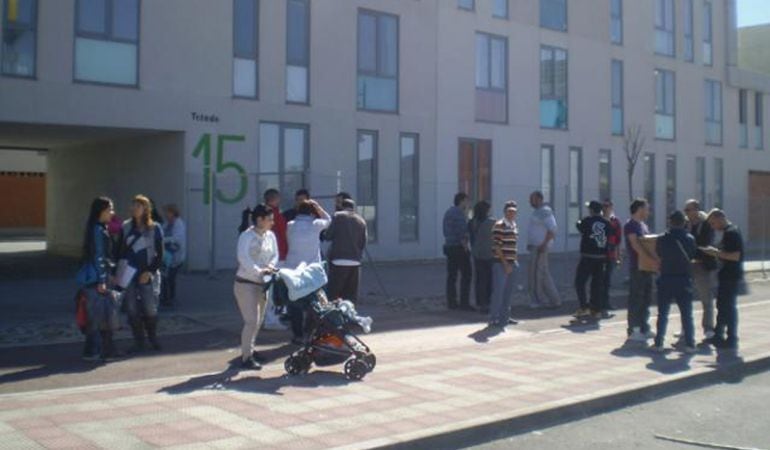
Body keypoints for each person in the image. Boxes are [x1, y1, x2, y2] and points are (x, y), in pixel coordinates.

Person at [118, 195, 164, 353]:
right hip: (128, 272)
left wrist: (150, 271)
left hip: (146, 272)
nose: (134, 209)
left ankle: (153, 337)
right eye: (133, 205)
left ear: (146, 209)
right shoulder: (126, 227)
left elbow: (160, 253)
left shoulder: (154, 228)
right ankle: (139, 341)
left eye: (138, 206)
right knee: (131, 308)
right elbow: (119, 250)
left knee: (150, 307)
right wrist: (116, 271)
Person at [234, 204, 278, 370]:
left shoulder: (270, 235)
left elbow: (275, 255)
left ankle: (250, 350)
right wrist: (259, 272)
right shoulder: (246, 236)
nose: (272, 222)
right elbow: (243, 258)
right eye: (269, 219)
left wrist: (270, 268)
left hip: (263, 284)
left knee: (258, 321)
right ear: (259, 219)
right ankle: (246, 357)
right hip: (246, 283)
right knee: (251, 320)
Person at [285, 199, 332, 344]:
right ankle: (310, 332)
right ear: (313, 212)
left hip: (293, 270)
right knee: (316, 302)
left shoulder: (290, 225)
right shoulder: (316, 224)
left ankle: (297, 334)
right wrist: (319, 208)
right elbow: (329, 219)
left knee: (294, 302)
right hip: (312, 271)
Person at [78, 197, 119, 361]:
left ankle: (100, 350)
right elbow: (99, 256)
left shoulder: (98, 228)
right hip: (97, 279)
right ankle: (93, 351)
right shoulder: (98, 230)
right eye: (110, 209)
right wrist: (102, 279)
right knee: (97, 316)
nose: (112, 213)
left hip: (95, 277)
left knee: (98, 315)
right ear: (101, 211)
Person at [652, 210, 697, 353]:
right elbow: (692, 255)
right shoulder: (689, 238)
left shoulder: (662, 239)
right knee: (686, 313)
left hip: (666, 277)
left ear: (670, 222)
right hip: (683, 278)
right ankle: (690, 343)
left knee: (663, 313)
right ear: (684, 222)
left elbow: (659, 254)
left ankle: (659, 342)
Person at [703, 209, 744, 350]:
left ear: (720, 218)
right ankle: (718, 335)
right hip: (727, 274)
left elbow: (735, 256)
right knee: (722, 306)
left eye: (713, 223)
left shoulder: (731, 232)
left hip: (731, 275)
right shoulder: (730, 231)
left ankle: (731, 338)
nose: (713, 227)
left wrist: (715, 252)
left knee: (728, 307)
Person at [625, 198, 659, 343]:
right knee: (636, 298)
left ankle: (644, 326)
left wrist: (654, 260)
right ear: (639, 209)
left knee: (646, 297)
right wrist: (650, 259)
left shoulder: (643, 225)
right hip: (637, 267)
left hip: (647, 267)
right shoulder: (630, 225)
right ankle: (634, 329)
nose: (648, 211)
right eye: (646, 208)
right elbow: (635, 245)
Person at [684, 199, 718, 341]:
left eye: (688, 210)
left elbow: (704, 243)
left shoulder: (706, 225)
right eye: (685, 210)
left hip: (702, 264)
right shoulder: (686, 224)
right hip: (688, 265)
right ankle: (685, 328)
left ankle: (708, 328)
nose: (686, 213)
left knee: (706, 297)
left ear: (696, 210)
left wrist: (692, 248)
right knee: (684, 297)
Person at [326, 198, 367, 303]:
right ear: (353, 208)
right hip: (355, 261)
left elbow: (328, 235)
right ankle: (349, 316)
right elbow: (363, 243)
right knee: (350, 295)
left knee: (333, 293)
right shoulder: (361, 220)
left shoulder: (337, 216)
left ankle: (334, 316)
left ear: (342, 206)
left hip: (338, 260)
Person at [574, 201, 610, 319]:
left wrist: (579, 221)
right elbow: (610, 236)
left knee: (580, 282)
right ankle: (596, 309)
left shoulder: (587, 221)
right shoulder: (606, 223)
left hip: (588, 256)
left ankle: (584, 307)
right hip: (601, 257)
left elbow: (579, 226)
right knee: (597, 284)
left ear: (592, 210)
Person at [526, 191, 561, 309]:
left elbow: (553, 229)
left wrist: (544, 244)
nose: (530, 201)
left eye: (533, 199)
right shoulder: (537, 212)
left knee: (537, 274)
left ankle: (538, 300)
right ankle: (554, 299)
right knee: (543, 273)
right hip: (536, 246)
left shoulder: (545, 211)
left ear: (540, 199)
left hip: (541, 247)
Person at [489, 201, 519, 328]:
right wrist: (505, 263)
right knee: (499, 291)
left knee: (508, 292)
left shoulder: (513, 225)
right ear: (505, 211)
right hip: (501, 263)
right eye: (509, 211)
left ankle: (505, 316)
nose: (512, 213)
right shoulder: (499, 225)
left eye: (514, 211)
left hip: (512, 262)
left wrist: (513, 262)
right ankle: (493, 318)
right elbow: (496, 246)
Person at [263, 189, 288, 330]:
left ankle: (268, 318)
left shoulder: (264, 213)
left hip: (272, 255)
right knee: (274, 290)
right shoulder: (275, 215)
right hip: (276, 256)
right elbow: (282, 235)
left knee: (269, 289)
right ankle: (271, 320)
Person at [443, 193, 473, 311]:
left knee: (452, 276)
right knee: (466, 274)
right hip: (459, 247)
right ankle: (464, 302)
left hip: (449, 246)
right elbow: (462, 232)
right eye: (466, 201)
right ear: (462, 201)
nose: (468, 204)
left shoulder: (448, 212)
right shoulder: (459, 213)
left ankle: (452, 302)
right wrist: (466, 246)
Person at [468, 201, 495, 314]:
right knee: (489, 279)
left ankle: (480, 303)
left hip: (477, 253)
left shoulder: (472, 222)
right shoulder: (491, 222)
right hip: (489, 253)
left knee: (480, 279)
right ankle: (488, 303)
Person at [160, 204, 186, 309]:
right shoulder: (166, 223)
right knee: (164, 277)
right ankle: (165, 297)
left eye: (168, 212)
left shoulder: (179, 224)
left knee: (170, 277)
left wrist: (165, 240)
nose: (166, 214)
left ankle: (170, 298)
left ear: (173, 212)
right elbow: (161, 233)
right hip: (166, 255)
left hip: (175, 256)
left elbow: (177, 239)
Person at [602, 200, 622, 311]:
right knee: (599, 279)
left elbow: (618, 240)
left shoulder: (614, 221)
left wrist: (618, 256)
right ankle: (597, 302)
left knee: (607, 279)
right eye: (604, 206)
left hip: (610, 254)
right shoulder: (599, 220)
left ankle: (606, 302)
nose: (605, 208)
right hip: (599, 254)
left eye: (607, 206)